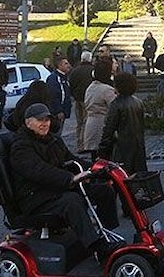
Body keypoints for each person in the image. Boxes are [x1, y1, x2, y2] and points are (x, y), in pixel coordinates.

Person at [9, 103, 123, 262]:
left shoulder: (52, 139)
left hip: (54, 190)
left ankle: (106, 233)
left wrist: (95, 170)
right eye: (40, 120)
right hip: (35, 196)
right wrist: (70, 178)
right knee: (71, 201)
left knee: (104, 190)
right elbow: (40, 171)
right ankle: (98, 248)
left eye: (47, 119)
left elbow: (71, 159)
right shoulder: (21, 146)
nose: (45, 123)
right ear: (28, 122)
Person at [98, 73, 147, 175]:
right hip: (137, 145)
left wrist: (102, 150)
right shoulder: (138, 102)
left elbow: (109, 129)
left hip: (122, 148)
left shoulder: (116, 104)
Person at [83, 60, 116, 160]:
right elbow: (114, 107)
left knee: (95, 159)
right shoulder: (107, 90)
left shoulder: (90, 87)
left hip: (91, 124)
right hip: (102, 125)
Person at [68, 51, 94, 153]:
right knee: (86, 122)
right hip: (88, 99)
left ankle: (79, 144)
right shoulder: (92, 70)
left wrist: (74, 96)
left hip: (78, 99)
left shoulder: (75, 70)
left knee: (79, 123)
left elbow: (71, 84)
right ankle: (85, 144)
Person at [46, 57, 72, 134]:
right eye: (66, 63)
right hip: (57, 113)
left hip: (63, 111)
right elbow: (53, 95)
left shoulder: (64, 77)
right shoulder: (54, 78)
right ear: (59, 65)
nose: (69, 66)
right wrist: (58, 110)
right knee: (55, 133)